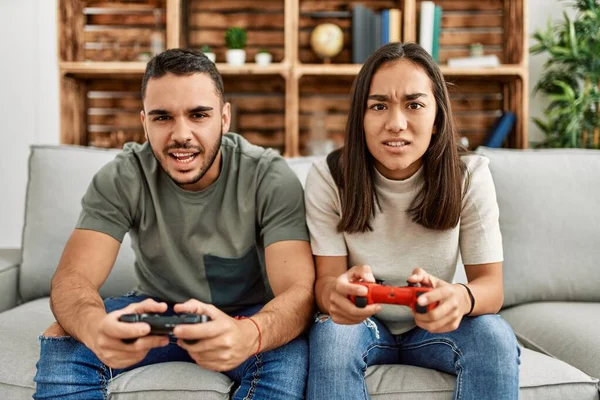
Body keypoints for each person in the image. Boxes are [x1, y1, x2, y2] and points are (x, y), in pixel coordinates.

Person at [33, 48, 315, 400]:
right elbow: (72, 279)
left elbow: (299, 291)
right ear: (144, 122)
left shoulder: (269, 177)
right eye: (163, 117)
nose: (181, 134)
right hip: (158, 309)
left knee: (287, 354)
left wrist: (251, 334)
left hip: (246, 315)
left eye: (199, 115)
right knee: (63, 337)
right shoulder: (123, 176)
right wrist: (94, 328)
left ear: (225, 118)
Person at [304, 42, 520, 400]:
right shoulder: (328, 176)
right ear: (360, 116)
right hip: (364, 323)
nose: (396, 124)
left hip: (435, 327)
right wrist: (335, 294)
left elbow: (491, 288)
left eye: (414, 105)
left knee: (494, 336)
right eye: (379, 106)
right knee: (332, 334)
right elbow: (326, 282)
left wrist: (459, 297)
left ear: (437, 118)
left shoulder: (470, 175)